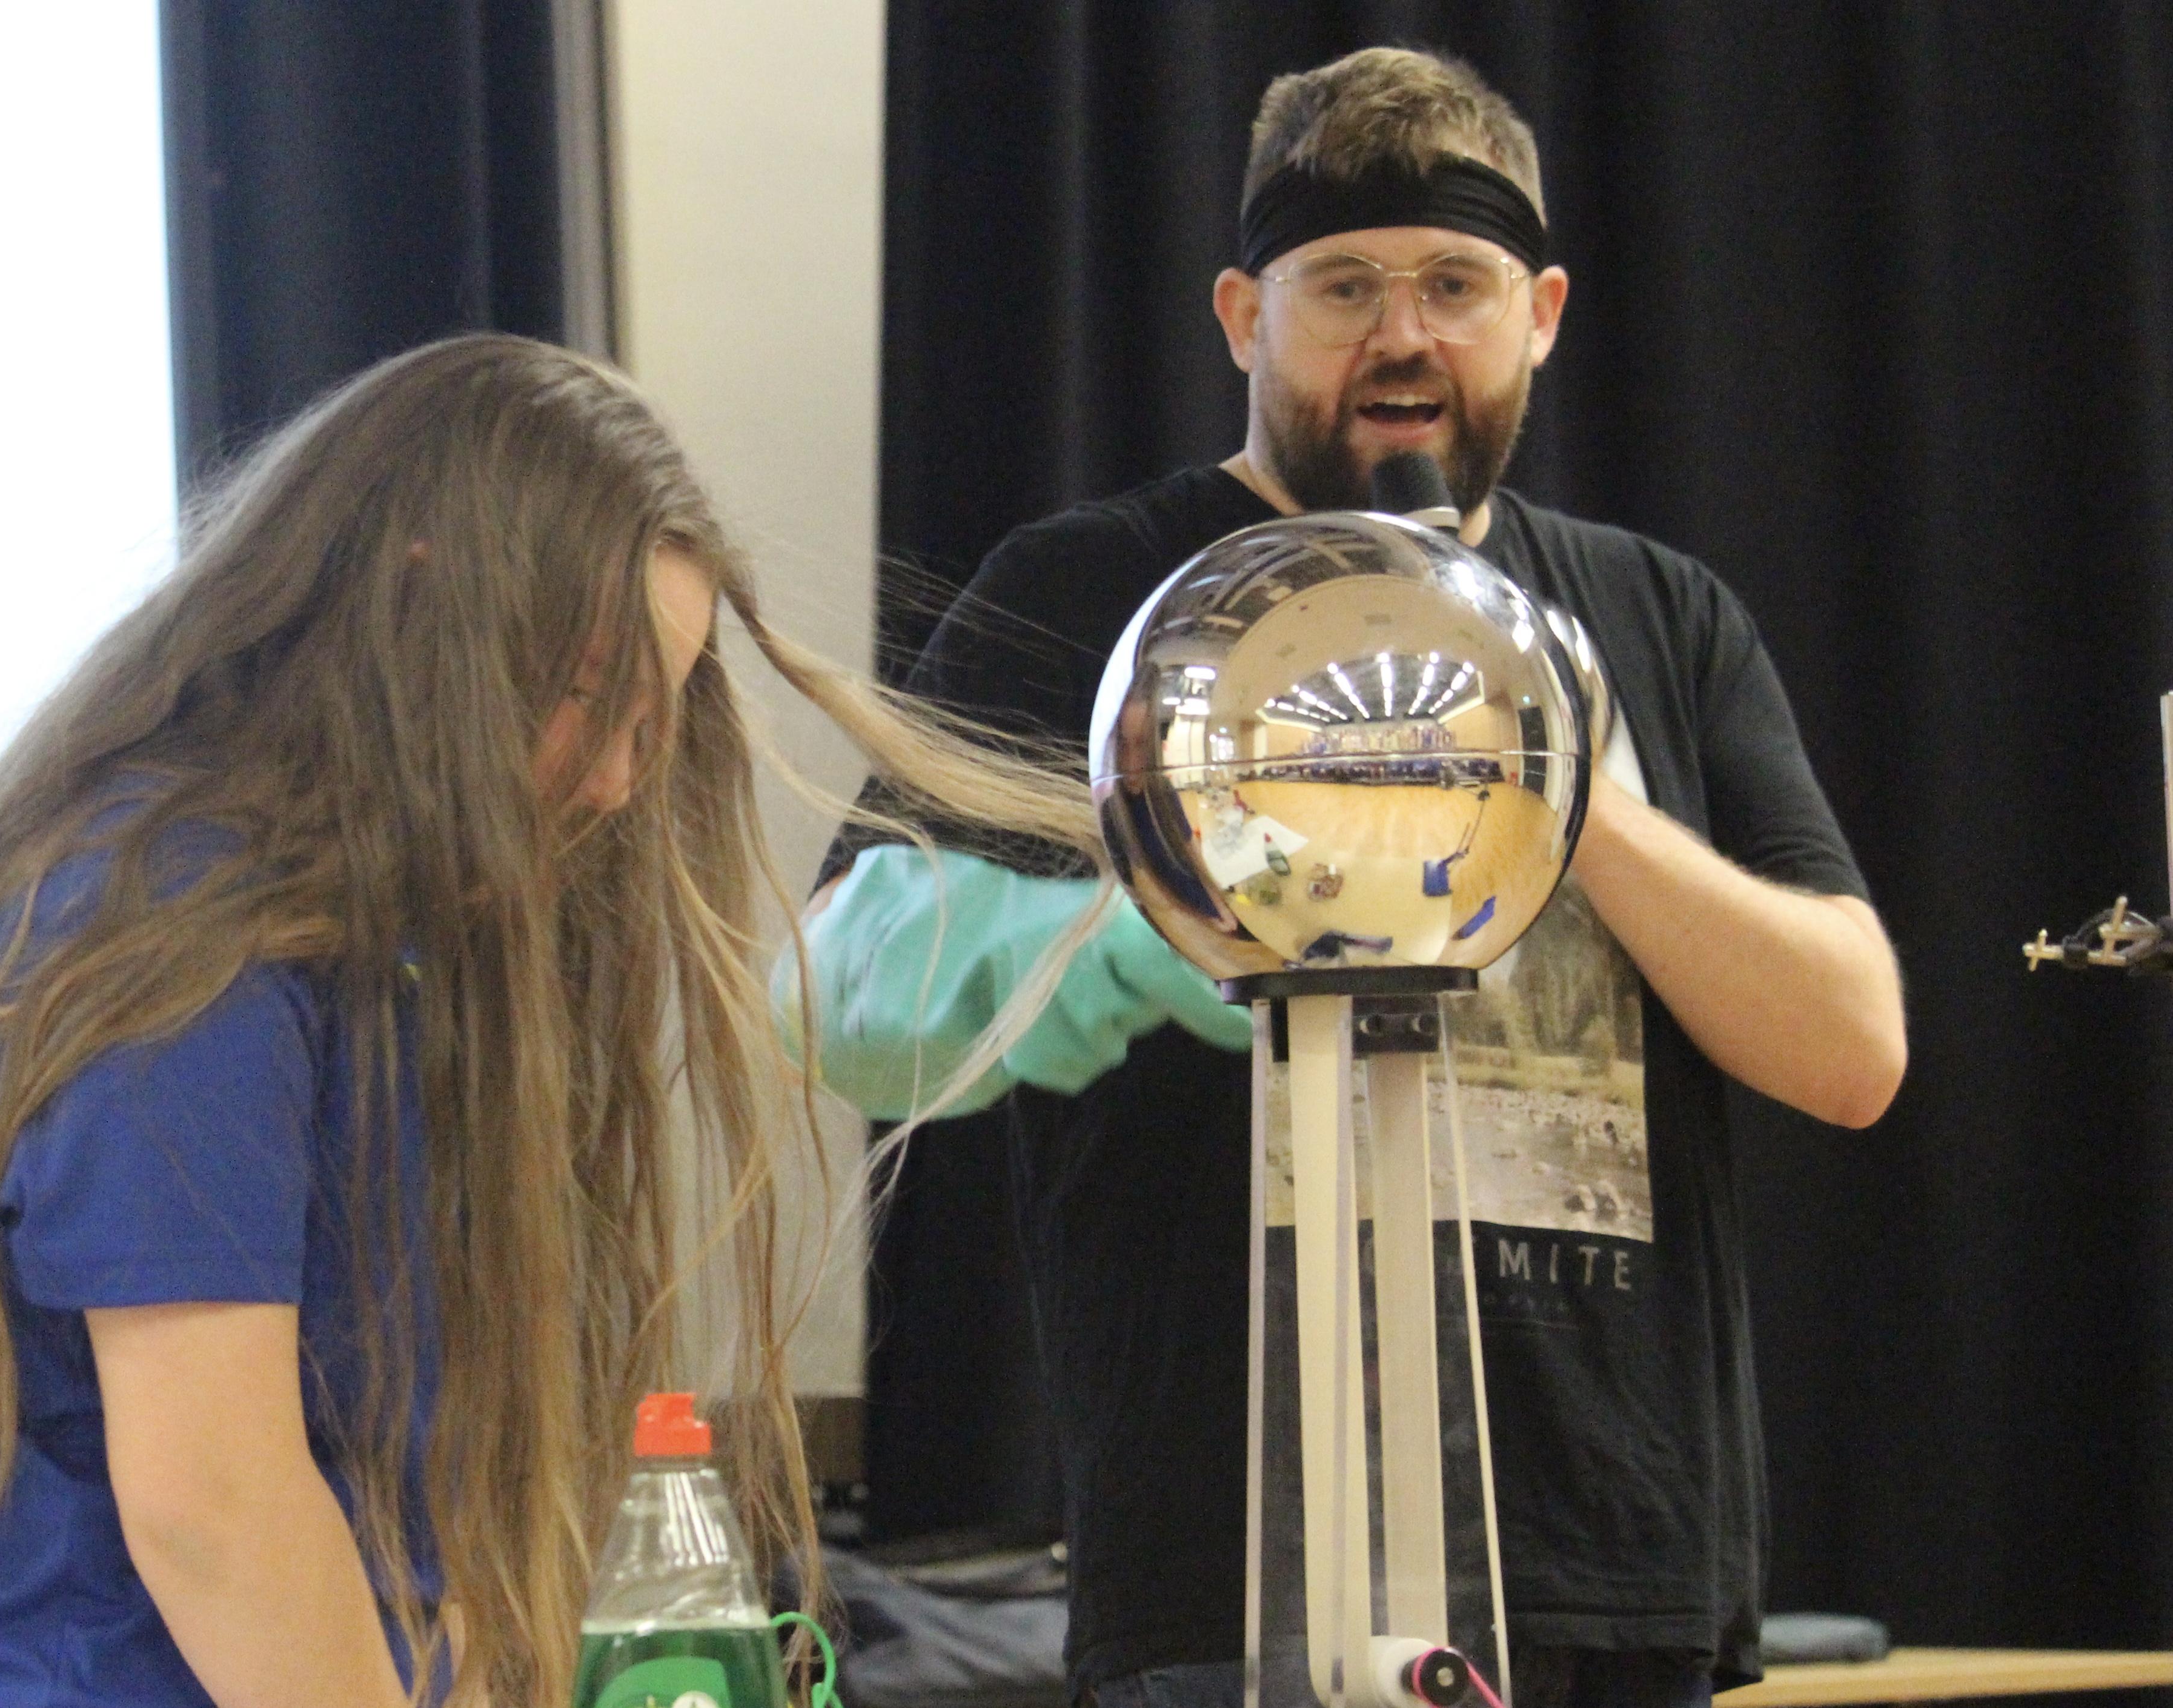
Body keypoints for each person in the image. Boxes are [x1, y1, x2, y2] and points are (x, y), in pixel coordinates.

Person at [783, 48, 1906, 1708]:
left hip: (1608, 1555)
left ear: (1539, 314)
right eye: (1344, 287)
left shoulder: (1659, 615)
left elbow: (1850, 1048)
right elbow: (830, 985)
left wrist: (1549, 768)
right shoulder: (1087, 590)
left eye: (1452, 284)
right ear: (1244, 316)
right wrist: (1128, 941)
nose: (1402, 335)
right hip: (1229, 1568)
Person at [0, 333, 1100, 1708]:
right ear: (422, 602)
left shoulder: (368, 940)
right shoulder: (175, 924)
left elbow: (395, 1525)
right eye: (589, 699)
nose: (616, 782)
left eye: (647, 727)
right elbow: (215, 1510)